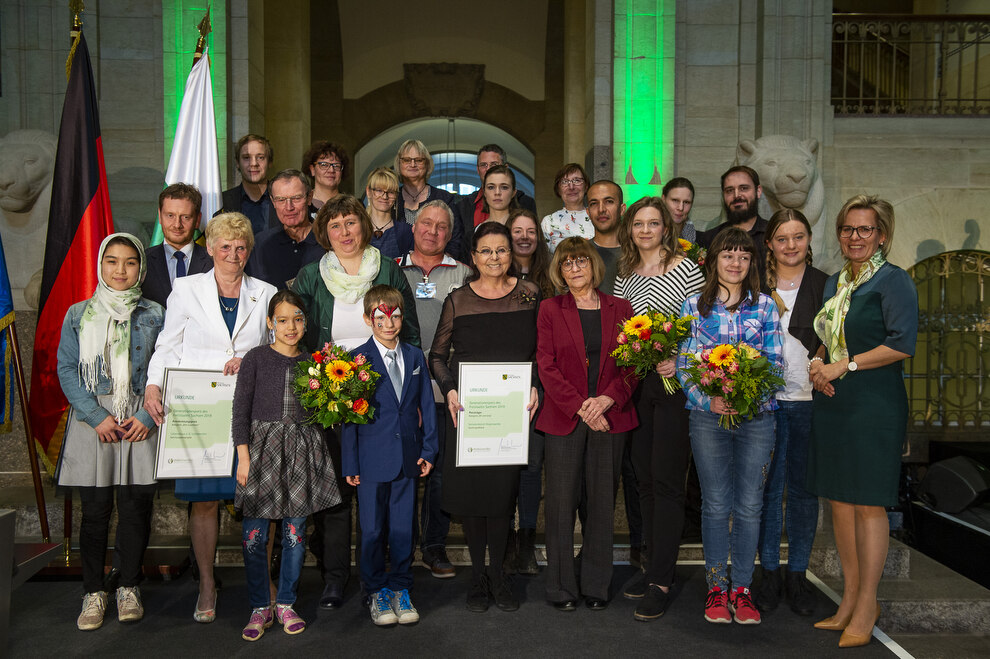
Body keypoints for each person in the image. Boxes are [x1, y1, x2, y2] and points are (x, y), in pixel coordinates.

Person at [145, 212, 277, 623]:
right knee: (204, 502)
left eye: (240, 247)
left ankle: (265, 581)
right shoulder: (185, 290)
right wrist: (153, 384)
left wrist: (251, 359)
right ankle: (206, 582)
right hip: (199, 410)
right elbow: (168, 345)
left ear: (248, 251)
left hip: (252, 411)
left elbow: (277, 346)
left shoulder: (267, 292)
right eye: (225, 246)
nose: (233, 254)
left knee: (259, 502)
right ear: (209, 248)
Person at [291, 194, 420, 610]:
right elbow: (301, 338)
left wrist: (411, 395)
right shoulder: (311, 275)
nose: (344, 232)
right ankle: (335, 577)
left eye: (351, 223)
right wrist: (320, 387)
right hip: (330, 397)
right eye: (335, 225)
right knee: (336, 491)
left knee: (385, 491)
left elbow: (411, 333)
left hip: (384, 400)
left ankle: (389, 579)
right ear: (324, 233)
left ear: (364, 226)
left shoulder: (387, 270)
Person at [807, 195, 917, 648]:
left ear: (882, 235)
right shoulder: (836, 282)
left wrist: (844, 367)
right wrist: (818, 365)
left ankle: (868, 602)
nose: (855, 237)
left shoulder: (894, 282)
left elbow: (902, 343)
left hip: (874, 405)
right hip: (836, 402)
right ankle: (849, 598)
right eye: (848, 230)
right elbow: (829, 338)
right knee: (840, 502)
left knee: (869, 504)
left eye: (865, 230)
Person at [429, 222, 540, 613]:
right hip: (469, 412)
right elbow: (437, 356)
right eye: (486, 251)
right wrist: (450, 388)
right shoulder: (458, 299)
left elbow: (542, 350)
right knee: (473, 500)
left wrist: (535, 385)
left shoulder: (529, 295)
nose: (494, 258)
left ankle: (500, 576)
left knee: (502, 498)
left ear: (512, 253)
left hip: (511, 411)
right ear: (473, 257)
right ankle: (478, 577)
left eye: (502, 250)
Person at [56, 233, 164, 631]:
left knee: (136, 508)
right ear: (100, 265)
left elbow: (167, 368)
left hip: (139, 417)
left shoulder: (156, 313)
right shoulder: (77, 314)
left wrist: (150, 418)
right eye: (112, 261)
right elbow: (67, 368)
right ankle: (93, 591)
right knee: (96, 512)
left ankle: (129, 586)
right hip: (94, 419)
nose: (121, 270)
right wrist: (93, 414)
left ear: (141, 268)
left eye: (130, 262)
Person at [676, 227, 783, 626]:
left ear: (752, 262)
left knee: (750, 506)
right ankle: (716, 588)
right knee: (716, 505)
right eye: (728, 255)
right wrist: (711, 399)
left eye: (743, 256)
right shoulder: (694, 306)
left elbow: (775, 365)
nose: (735, 263)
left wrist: (745, 398)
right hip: (708, 419)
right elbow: (686, 365)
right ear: (714, 261)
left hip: (757, 419)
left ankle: (743, 588)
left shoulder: (765, 307)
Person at [612, 197, 704, 621]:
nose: (645, 230)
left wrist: (680, 357)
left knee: (667, 482)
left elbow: (705, 324)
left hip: (673, 385)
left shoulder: (686, 269)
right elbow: (618, 329)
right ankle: (651, 565)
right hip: (636, 383)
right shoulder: (624, 274)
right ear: (630, 229)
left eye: (653, 223)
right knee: (643, 481)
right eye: (638, 224)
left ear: (667, 227)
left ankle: (662, 580)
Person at [537, 237, 638, 612]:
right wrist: (583, 407)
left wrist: (607, 400)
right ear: (559, 272)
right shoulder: (550, 308)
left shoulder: (621, 307)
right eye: (567, 263)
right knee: (561, 505)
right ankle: (561, 587)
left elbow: (632, 364)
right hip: (566, 417)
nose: (575, 268)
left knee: (600, 503)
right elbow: (545, 365)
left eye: (581, 261)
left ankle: (596, 585)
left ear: (594, 265)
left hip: (612, 416)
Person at [233, 290, 341, 641]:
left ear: (305, 322)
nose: (290, 326)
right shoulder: (255, 359)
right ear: (270, 323)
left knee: (295, 533)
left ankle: (287, 603)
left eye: (297, 318)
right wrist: (243, 457)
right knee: (254, 535)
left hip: (302, 451)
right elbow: (240, 411)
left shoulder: (315, 363)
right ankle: (260, 605)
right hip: (261, 452)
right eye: (282, 320)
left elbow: (323, 412)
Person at [342, 285, 439, 627]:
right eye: (381, 317)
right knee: (371, 530)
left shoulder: (414, 357)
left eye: (395, 316)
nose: (389, 323)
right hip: (370, 459)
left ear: (402, 317)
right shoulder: (355, 360)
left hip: (408, 457)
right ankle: (375, 590)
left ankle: (400, 586)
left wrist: (428, 449)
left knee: (402, 528)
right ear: (368, 318)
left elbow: (425, 404)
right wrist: (350, 463)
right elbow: (349, 416)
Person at [754, 209, 827, 616]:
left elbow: (840, 338)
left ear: (809, 239)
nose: (791, 245)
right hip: (765, 403)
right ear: (770, 244)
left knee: (802, 493)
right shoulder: (756, 285)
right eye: (782, 238)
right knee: (767, 492)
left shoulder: (825, 284)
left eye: (798, 237)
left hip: (809, 403)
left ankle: (797, 574)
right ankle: (768, 573)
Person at [396, 200, 471, 579]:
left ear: (450, 233)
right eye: (426, 223)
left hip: (447, 391)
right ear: (413, 226)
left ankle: (435, 546)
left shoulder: (466, 273)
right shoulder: (390, 271)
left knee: (441, 471)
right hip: (401, 392)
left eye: (442, 227)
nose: (433, 231)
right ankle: (403, 545)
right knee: (406, 470)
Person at [505, 207, 553, 574]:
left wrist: (540, 380)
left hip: (540, 381)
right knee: (503, 462)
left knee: (533, 464)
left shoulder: (550, 279)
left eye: (530, 231)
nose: (524, 237)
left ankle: (527, 539)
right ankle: (504, 538)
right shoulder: (490, 276)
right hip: (501, 384)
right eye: (516, 231)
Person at [455, 143, 537, 260]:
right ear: (478, 169)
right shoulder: (463, 207)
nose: (488, 169)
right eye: (484, 165)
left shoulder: (525, 202)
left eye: (494, 164)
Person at [248, 169, 326, 289]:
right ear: (273, 202)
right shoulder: (260, 244)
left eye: (296, 198)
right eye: (281, 200)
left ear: (309, 197)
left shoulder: (328, 241)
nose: (289, 207)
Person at [143, 184, 211, 307]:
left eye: (185, 217)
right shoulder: (142, 261)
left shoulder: (214, 262)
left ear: (197, 220)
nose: (177, 224)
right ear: (160, 216)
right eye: (170, 215)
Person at [699, 166, 768, 283]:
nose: (737, 196)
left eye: (744, 188)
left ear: (758, 191)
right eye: (730, 191)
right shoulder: (710, 239)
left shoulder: (773, 235)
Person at [220, 134, 275, 234]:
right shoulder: (222, 202)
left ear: (270, 162)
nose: (253, 163)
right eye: (246, 158)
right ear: (237, 163)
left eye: (260, 157)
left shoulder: (284, 200)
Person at [541, 163, 592, 251]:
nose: (571, 187)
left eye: (577, 180)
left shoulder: (597, 217)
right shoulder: (548, 222)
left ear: (586, 186)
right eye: (565, 182)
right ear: (558, 189)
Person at [586, 180, 625, 295]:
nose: (601, 209)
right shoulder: (578, 253)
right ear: (588, 212)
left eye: (609, 202)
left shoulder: (637, 252)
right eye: (594, 203)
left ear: (622, 209)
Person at [365, 167, 413, 259]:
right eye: (379, 190)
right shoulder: (357, 228)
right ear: (369, 192)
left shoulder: (406, 231)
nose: (385, 196)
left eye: (390, 192)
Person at [508, 208, 554, 299]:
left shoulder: (552, 271)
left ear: (538, 236)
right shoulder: (498, 272)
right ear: (507, 235)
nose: (524, 236)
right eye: (518, 231)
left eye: (531, 232)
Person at [301, 140, 348, 211]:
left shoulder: (352, 206)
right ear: (312, 169)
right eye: (324, 165)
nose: (331, 170)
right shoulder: (303, 206)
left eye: (336, 166)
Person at [661, 177, 697, 242]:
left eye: (686, 202)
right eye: (675, 200)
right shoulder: (649, 233)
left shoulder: (697, 238)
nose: (681, 208)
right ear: (663, 199)